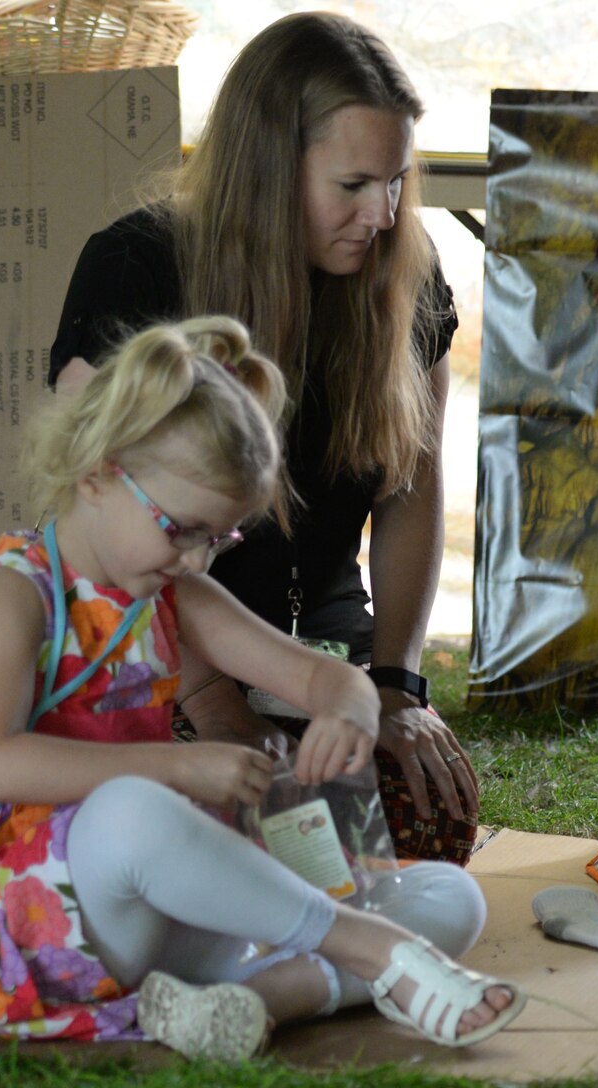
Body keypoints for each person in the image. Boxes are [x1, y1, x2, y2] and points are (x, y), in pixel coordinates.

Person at [0, 317, 521, 1060]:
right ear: (96, 472)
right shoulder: (15, 595)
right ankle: (373, 952)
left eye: (216, 539)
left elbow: (320, 676)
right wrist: (179, 766)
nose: (196, 559)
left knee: (451, 898)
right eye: (181, 528)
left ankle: (257, 1000)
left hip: (159, 920)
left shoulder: (169, 592)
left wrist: (348, 708)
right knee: (130, 811)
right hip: (49, 924)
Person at [47, 11, 476, 862]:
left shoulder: (405, 278)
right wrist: (209, 701)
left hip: (313, 636)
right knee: (201, 833)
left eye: (396, 182)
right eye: (353, 184)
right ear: (271, 166)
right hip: (151, 627)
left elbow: (413, 499)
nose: (383, 214)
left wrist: (392, 683)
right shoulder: (137, 267)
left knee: (427, 827)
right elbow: (89, 518)